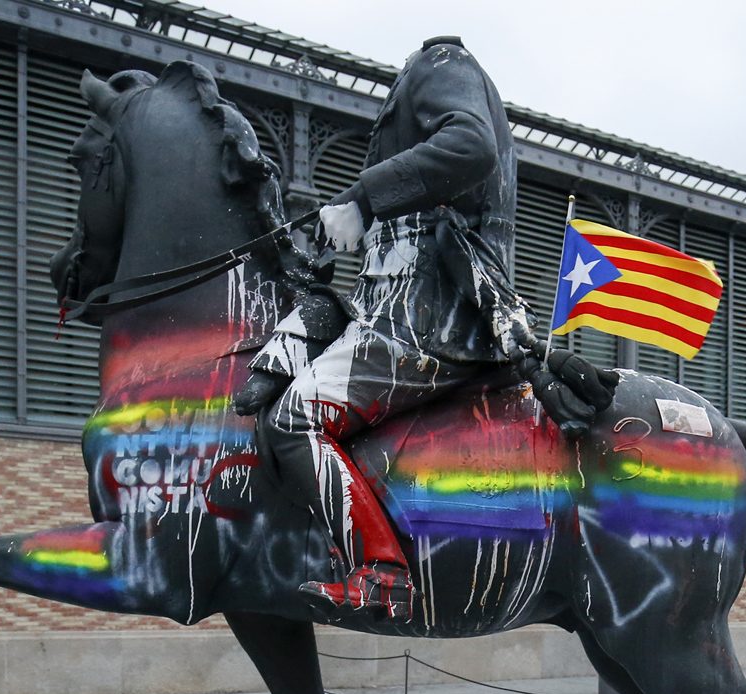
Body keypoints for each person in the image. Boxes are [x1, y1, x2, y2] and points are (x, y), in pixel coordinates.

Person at [236, 37, 617, 621]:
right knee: (297, 335)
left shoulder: (443, 64)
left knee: (297, 416)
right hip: (397, 303)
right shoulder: (431, 73)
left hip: (425, 320)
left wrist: (364, 200)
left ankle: (381, 573)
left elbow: (471, 147)